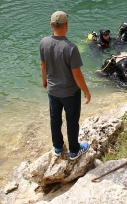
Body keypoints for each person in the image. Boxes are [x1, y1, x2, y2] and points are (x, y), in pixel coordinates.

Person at [39, 11, 91, 160]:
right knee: (72, 121)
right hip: (70, 92)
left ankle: (57, 147)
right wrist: (86, 91)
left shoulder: (44, 42)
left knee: (55, 118)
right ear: (67, 25)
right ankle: (74, 150)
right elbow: (77, 75)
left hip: (52, 90)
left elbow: (43, 65)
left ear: (51, 25)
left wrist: (44, 81)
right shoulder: (71, 48)